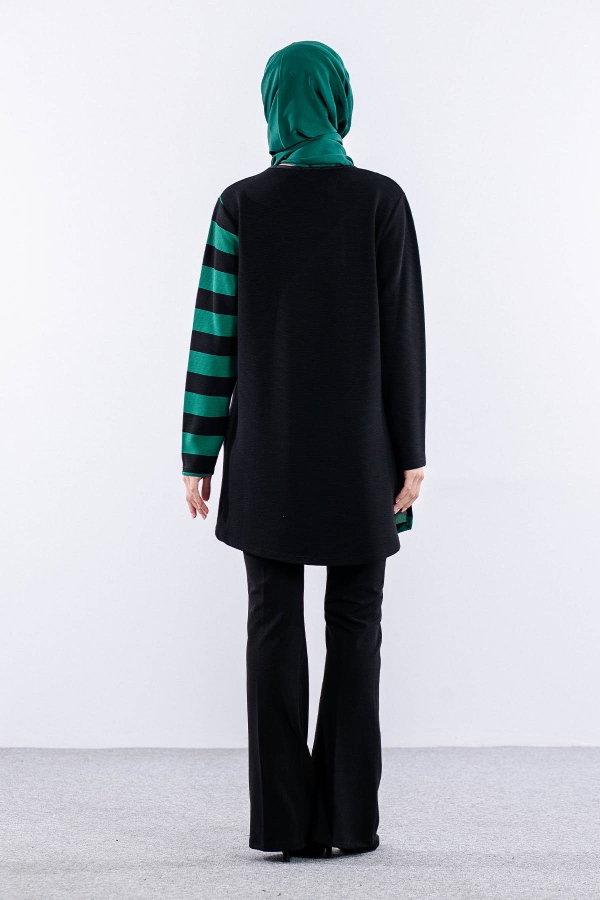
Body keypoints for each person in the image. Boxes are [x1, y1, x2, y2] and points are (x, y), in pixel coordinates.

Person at [181, 40, 426, 861]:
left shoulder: (240, 205)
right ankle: (350, 822)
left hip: (267, 455)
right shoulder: (381, 201)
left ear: (272, 105)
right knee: (357, 624)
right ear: (338, 101)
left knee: (272, 623)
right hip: (362, 455)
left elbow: (213, 336)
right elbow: (404, 335)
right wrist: (412, 452)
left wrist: (197, 455)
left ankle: (285, 825)